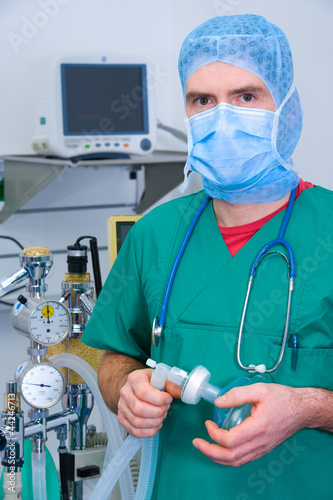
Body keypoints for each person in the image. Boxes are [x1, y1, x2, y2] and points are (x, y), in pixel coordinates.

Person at [81, 14, 333, 499]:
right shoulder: (156, 232)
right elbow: (115, 357)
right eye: (203, 101)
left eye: (245, 96)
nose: (223, 117)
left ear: (287, 107)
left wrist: (309, 406)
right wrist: (126, 388)